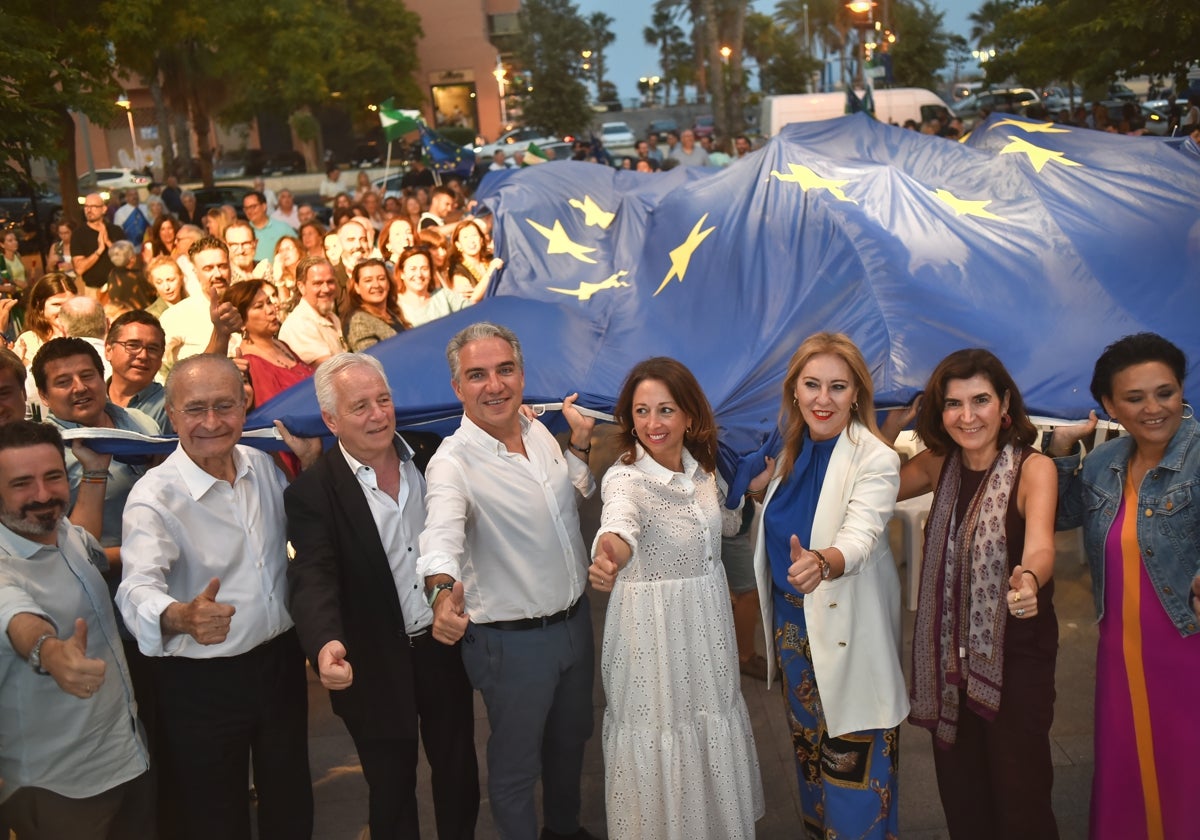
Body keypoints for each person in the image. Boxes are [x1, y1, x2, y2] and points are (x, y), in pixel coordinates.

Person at [117, 354, 315, 840]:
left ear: (245, 405)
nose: (211, 422)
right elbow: (136, 586)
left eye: (224, 406)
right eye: (195, 409)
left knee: (290, 796)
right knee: (210, 812)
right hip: (202, 683)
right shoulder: (154, 497)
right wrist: (179, 616)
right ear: (172, 412)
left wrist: (310, 466)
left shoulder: (264, 467)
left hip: (280, 666)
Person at [418, 322, 600, 840]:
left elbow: (567, 494)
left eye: (504, 370)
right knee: (517, 769)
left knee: (570, 746)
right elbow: (441, 533)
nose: (494, 385)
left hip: (573, 626)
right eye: (477, 375)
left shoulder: (537, 428)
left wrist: (581, 447)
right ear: (457, 388)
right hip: (511, 645)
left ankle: (565, 831)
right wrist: (439, 590)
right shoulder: (452, 463)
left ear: (522, 374)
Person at [286, 353, 479, 839]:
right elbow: (313, 577)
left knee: (459, 774)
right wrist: (324, 642)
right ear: (331, 420)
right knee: (390, 790)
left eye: (383, 400)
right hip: (371, 662)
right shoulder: (312, 492)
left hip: (442, 650)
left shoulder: (431, 452)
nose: (378, 415)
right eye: (360, 407)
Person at [588, 357, 764, 839]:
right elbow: (618, 525)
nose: (652, 423)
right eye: (641, 411)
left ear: (690, 415)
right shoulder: (626, 479)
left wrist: (749, 491)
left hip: (705, 628)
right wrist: (609, 554)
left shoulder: (702, 470)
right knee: (662, 738)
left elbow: (721, 527)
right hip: (654, 639)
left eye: (665, 410)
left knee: (708, 730)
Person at [750, 332, 907, 838]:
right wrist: (758, 495)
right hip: (795, 638)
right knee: (812, 762)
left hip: (848, 636)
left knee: (852, 768)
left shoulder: (874, 458)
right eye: (811, 384)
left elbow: (861, 533)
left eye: (837, 387)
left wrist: (825, 561)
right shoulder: (789, 449)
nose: (823, 399)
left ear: (857, 393)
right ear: (794, 390)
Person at [897, 348, 1058, 840]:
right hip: (948, 662)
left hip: (1015, 658)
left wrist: (1029, 579)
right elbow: (867, 487)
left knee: (1021, 793)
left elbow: (1042, 547)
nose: (967, 417)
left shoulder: (1034, 469)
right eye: (953, 404)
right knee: (962, 791)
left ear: (1004, 401)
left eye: (981, 400)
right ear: (938, 412)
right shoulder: (936, 463)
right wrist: (885, 430)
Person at [1047, 333, 1199, 840]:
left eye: (1166, 392)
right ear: (1109, 405)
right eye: (1134, 398)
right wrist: (1061, 451)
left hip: (1188, 646)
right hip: (1123, 649)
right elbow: (1060, 516)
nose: (1154, 408)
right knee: (1129, 766)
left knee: (1187, 772)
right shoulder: (1104, 462)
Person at [0, 421, 152, 839]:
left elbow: (83, 541)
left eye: (52, 476)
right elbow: (17, 617)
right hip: (60, 790)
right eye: (21, 484)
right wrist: (49, 652)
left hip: (126, 757)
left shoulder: (58, 529)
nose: (43, 494)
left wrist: (95, 472)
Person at [224, 279, 313, 408]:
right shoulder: (250, 362)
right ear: (241, 322)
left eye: (269, 302)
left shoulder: (281, 345)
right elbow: (272, 412)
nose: (271, 310)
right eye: (259, 307)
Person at [105, 310, 169, 432]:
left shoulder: (171, 408)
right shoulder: (90, 399)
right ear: (108, 350)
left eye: (152, 349)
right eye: (133, 345)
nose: (143, 356)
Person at [277, 257, 345, 366]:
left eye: (330, 282)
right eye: (318, 283)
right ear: (301, 287)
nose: (326, 289)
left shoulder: (330, 316)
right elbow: (330, 369)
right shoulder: (299, 324)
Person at [343, 258, 406, 352]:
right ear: (357, 287)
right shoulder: (359, 321)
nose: (376, 285)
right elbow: (371, 360)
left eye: (381, 279)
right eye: (368, 280)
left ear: (388, 283)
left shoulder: (393, 312)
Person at [14, 273, 75, 367]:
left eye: (70, 303)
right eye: (57, 304)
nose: (64, 310)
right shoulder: (28, 340)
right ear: (39, 305)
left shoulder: (87, 334)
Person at [395, 246, 464, 328]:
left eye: (424, 269)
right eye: (413, 269)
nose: (419, 274)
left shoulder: (444, 296)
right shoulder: (396, 307)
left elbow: (473, 310)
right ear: (402, 273)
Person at [72, 194, 126, 297]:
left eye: (93, 207)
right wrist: (99, 250)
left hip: (118, 287)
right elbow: (79, 269)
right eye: (86, 206)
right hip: (93, 291)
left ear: (104, 209)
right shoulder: (78, 234)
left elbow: (126, 261)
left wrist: (108, 243)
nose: (89, 210)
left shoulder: (116, 230)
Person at [446, 219, 503, 304]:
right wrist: (490, 272)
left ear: (481, 240)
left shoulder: (491, 259)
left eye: (474, 235)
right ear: (458, 244)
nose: (471, 241)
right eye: (465, 237)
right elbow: (471, 300)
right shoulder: (457, 270)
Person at [242, 191, 295, 263]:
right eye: (247, 208)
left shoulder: (283, 228)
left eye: (253, 207)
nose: (250, 211)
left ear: (264, 206)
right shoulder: (243, 231)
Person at [145, 255, 187, 320]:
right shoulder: (151, 316)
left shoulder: (195, 303)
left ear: (181, 278)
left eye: (171, 280)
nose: (166, 287)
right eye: (159, 282)